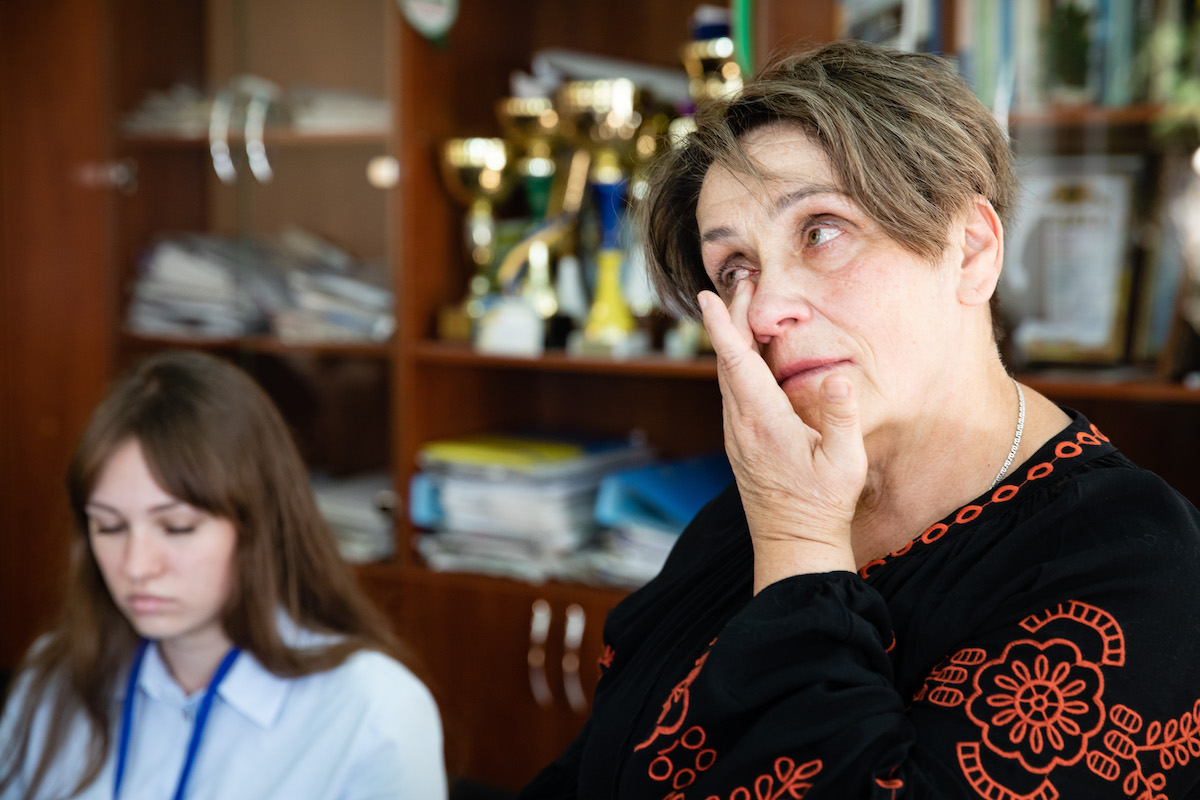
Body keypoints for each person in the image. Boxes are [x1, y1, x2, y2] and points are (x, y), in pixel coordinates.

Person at [517, 39, 1200, 799]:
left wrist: (802, 542)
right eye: (735, 268)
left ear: (970, 249)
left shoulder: (1137, 566)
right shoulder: (746, 515)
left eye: (820, 231)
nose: (766, 309)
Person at [0, 350, 447, 799]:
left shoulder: (373, 710)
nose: (136, 566)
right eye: (110, 526)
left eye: (178, 528)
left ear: (258, 523)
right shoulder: (53, 676)